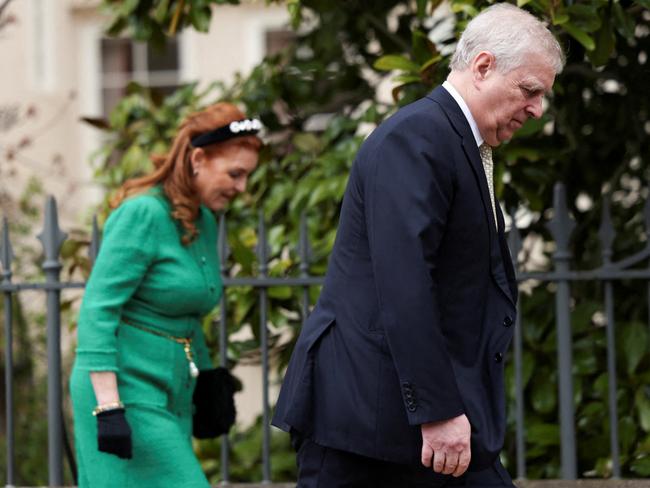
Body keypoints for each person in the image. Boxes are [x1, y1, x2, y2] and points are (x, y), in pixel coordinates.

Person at [272, 4, 564, 487]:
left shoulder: (455, 140)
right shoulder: (419, 136)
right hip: (367, 425)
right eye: (530, 90)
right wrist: (438, 411)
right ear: (483, 66)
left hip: (409, 421)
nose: (537, 109)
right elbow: (404, 284)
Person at [70, 102, 262, 487]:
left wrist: (207, 380)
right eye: (235, 174)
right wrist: (108, 407)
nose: (241, 188)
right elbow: (97, 310)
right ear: (198, 158)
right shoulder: (143, 214)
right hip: (125, 393)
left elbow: (187, 313)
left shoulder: (202, 219)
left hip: (173, 393)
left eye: (246, 177)